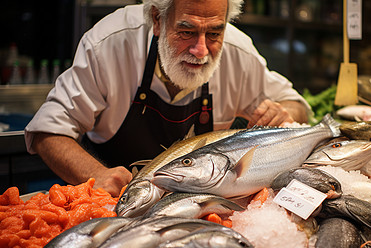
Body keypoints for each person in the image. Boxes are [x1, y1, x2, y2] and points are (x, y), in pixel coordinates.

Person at [24, 0, 311, 197]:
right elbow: (48, 131)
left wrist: (281, 113)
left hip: (199, 208)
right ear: (157, 20)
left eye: (214, 32)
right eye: (186, 32)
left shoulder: (239, 53)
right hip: (112, 205)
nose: (201, 50)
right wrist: (95, 175)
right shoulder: (110, 44)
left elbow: (296, 105)